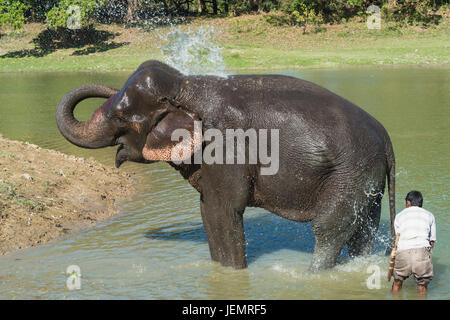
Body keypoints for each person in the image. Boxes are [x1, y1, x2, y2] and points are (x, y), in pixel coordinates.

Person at [392, 190, 436, 297]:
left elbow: (398, 239)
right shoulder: (430, 215)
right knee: (422, 286)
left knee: (397, 283)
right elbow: (432, 241)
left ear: (408, 203)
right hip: (421, 252)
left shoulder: (399, 216)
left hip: (403, 251)